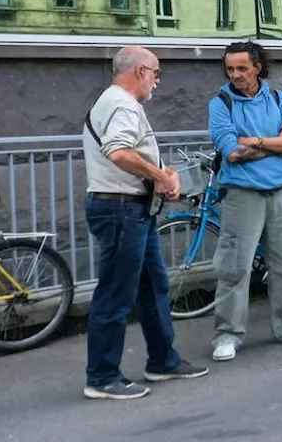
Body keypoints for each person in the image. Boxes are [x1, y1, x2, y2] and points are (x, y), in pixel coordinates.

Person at [82, 46, 207, 400]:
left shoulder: (113, 101)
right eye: (156, 73)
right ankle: (103, 377)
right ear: (139, 71)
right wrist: (161, 177)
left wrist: (161, 174)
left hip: (131, 208)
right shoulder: (122, 104)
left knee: (153, 285)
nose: (157, 81)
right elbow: (118, 151)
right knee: (117, 293)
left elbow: (128, 151)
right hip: (122, 209)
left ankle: (163, 361)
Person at [208, 41, 282, 361]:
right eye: (230, 69)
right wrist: (275, 143)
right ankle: (227, 334)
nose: (236, 74)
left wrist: (254, 141)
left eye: (242, 68)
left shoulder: (280, 98)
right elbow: (231, 151)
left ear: (257, 67)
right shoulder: (221, 103)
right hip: (242, 195)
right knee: (234, 267)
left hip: (281, 191)